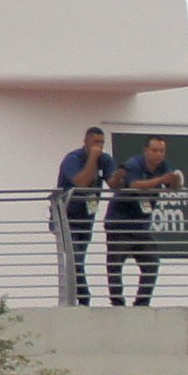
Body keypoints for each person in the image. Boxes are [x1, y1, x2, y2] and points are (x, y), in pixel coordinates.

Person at [106, 139, 182, 307]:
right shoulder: (134, 164)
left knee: (151, 263)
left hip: (141, 226)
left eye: (162, 151)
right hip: (120, 223)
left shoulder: (163, 166)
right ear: (146, 150)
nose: (158, 155)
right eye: (154, 150)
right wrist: (161, 180)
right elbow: (135, 185)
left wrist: (174, 179)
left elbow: (173, 186)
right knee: (115, 263)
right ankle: (117, 302)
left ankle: (142, 302)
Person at [50, 128, 112, 306]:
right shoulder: (73, 159)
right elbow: (81, 182)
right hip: (66, 217)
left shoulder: (105, 160)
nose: (99, 147)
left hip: (86, 219)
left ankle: (80, 298)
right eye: (95, 142)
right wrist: (92, 158)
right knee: (74, 258)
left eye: (101, 143)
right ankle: (83, 298)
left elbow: (113, 181)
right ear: (85, 142)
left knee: (78, 259)